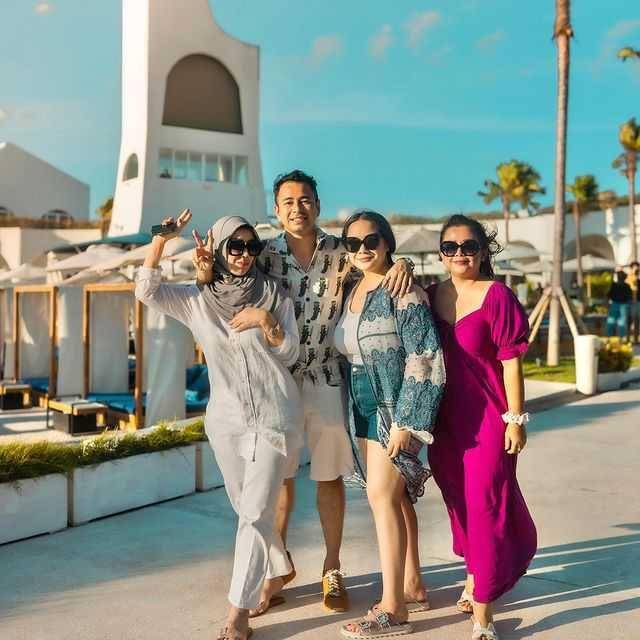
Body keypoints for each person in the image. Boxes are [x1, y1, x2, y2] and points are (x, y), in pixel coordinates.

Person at [195, 170, 415, 614]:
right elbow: (225, 282)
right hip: (277, 381)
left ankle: (332, 567)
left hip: (327, 378)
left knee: (329, 475)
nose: (298, 208)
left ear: (317, 203)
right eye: (288, 202)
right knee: (277, 479)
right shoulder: (262, 254)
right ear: (277, 210)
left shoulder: (341, 250)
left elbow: (377, 262)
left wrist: (403, 263)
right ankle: (275, 570)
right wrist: (202, 272)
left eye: (305, 199)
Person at [136, 210, 303, 640]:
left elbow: (291, 355)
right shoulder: (197, 301)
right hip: (226, 421)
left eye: (252, 246)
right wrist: (161, 240)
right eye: (236, 246)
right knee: (245, 507)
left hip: (274, 416)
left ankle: (237, 613)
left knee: (255, 513)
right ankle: (279, 566)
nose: (244, 254)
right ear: (220, 248)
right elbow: (146, 291)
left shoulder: (274, 295)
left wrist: (266, 321)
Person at [334, 211, 445, 638]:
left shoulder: (403, 290)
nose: (362, 249)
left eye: (372, 240)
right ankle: (412, 583)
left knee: (381, 496)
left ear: (387, 242)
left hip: (394, 404)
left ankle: (393, 608)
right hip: (360, 402)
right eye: (353, 242)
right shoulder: (351, 286)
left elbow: (425, 355)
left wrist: (407, 421)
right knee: (394, 499)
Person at [427, 214, 537, 640]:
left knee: (486, 506)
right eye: (450, 247)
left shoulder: (497, 296)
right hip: (443, 424)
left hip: (489, 422)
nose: (460, 254)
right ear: (441, 253)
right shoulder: (428, 294)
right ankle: (475, 574)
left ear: (483, 251)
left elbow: (511, 364)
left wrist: (515, 419)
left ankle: (483, 616)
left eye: (469, 246)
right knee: (460, 504)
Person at [606, 270, 632, 340]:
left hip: (623, 305)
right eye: (618, 276)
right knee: (611, 322)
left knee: (622, 323)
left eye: (620, 276)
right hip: (615, 304)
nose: (619, 277)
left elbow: (630, 298)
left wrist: (629, 306)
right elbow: (608, 295)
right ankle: (610, 338)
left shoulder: (626, 286)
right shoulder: (614, 285)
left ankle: (622, 338)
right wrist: (607, 304)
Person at [626, 261, 639, 343]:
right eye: (635, 267)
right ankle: (628, 339)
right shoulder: (629, 277)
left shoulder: (637, 278)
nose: (637, 269)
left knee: (636, 321)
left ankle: (636, 339)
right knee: (629, 321)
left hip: (636, 302)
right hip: (630, 302)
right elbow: (632, 288)